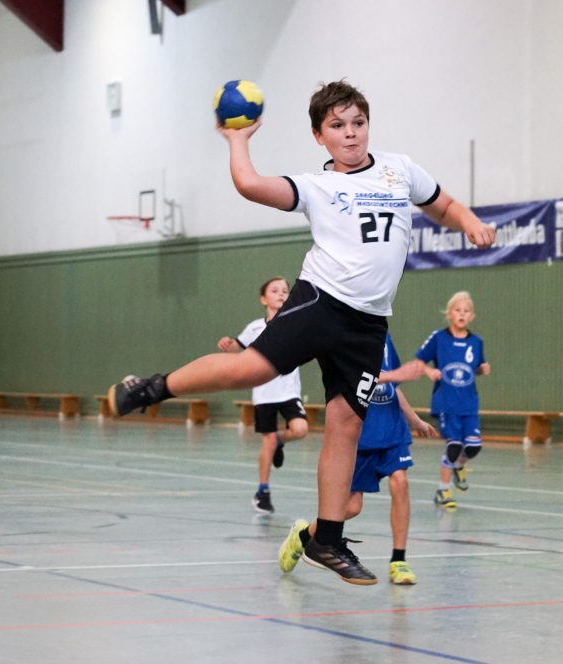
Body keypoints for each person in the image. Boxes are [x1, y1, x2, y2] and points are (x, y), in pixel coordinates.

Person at [106, 80, 495, 585]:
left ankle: (326, 539)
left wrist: (469, 221)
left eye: (357, 123)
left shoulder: (400, 169)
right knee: (250, 369)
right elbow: (249, 184)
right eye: (337, 126)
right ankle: (149, 389)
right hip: (320, 303)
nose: (350, 133)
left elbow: (442, 204)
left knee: (345, 425)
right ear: (319, 136)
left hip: (368, 323)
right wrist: (237, 139)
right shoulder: (316, 186)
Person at [277, 333, 437, 585]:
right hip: (361, 432)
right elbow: (357, 376)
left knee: (400, 481)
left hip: (392, 428)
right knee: (352, 507)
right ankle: (303, 537)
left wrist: (414, 419)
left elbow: (393, 387)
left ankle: (399, 560)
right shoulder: (344, 335)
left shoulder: (384, 336)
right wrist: (396, 375)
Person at [217, 277, 308, 515]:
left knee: (300, 429)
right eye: (275, 291)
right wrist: (227, 344)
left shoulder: (295, 323)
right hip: (264, 393)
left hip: (289, 391)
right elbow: (237, 347)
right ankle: (263, 492)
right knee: (267, 441)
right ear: (263, 299)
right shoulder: (255, 328)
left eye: (285, 291)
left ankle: (280, 440)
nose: (281, 294)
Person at [411, 291, 490, 509]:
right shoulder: (439, 338)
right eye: (457, 310)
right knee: (454, 446)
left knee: (473, 446)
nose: (462, 314)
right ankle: (443, 491)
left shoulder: (476, 342)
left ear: (472, 316)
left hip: (469, 404)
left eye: (466, 311)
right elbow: (419, 361)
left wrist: (482, 369)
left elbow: (475, 369)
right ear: (449, 314)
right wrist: (429, 371)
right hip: (447, 404)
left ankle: (458, 466)